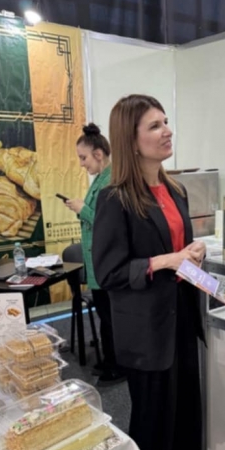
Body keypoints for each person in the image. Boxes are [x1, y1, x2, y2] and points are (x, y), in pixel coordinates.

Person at [92, 94, 206, 450]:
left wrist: (191, 253)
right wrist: (165, 261)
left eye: (166, 122)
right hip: (145, 324)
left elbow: (179, 250)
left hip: (181, 312)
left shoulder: (175, 190)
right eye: (155, 126)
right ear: (131, 139)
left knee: (184, 401)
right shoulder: (115, 198)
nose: (167, 131)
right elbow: (109, 271)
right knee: (152, 412)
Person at [65, 123, 123, 384]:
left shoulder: (112, 181)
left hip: (107, 263)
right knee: (106, 317)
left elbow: (109, 223)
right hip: (98, 262)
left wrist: (82, 209)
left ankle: (117, 366)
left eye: (83, 158)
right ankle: (110, 360)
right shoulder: (101, 179)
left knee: (111, 320)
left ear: (98, 154)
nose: (81, 164)